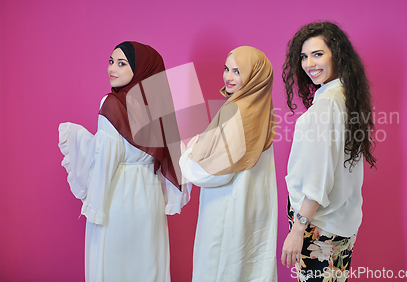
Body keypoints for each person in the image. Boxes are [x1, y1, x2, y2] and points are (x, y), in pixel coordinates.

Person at [58, 41, 190, 282]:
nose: (112, 69)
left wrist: (94, 207)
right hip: (149, 201)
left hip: (117, 199)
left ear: (140, 69)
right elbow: (173, 157)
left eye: (121, 63)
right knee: (148, 264)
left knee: (113, 267)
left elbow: (105, 160)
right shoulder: (158, 110)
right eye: (111, 61)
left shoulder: (112, 105)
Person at [281, 22, 376, 281]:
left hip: (318, 226)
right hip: (342, 223)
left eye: (318, 54)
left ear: (337, 55)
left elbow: (318, 179)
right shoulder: (346, 97)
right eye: (304, 56)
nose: (309, 63)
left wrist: (298, 228)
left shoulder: (326, 106)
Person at [179, 46, 278, 282]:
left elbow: (219, 172)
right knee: (250, 268)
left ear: (254, 76)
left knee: (220, 267)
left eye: (237, 71)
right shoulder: (263, 108)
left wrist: (188, 155)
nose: (228, 77)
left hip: (226, 207)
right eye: (227, 69)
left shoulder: (236, 110)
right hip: (254, 206)